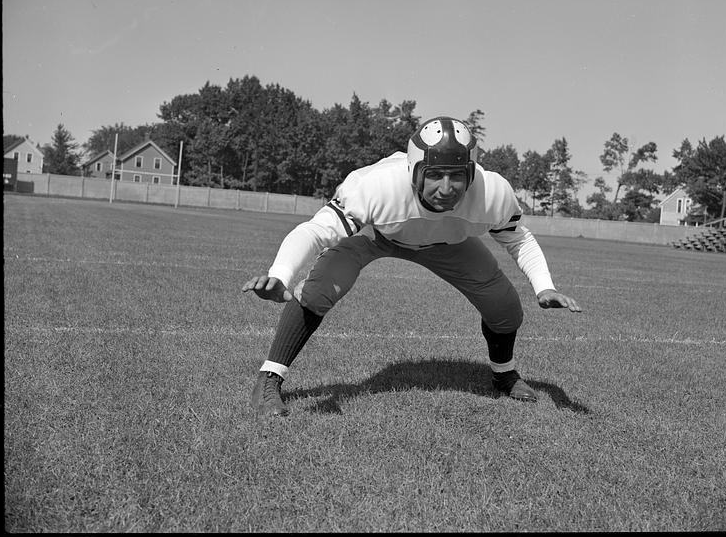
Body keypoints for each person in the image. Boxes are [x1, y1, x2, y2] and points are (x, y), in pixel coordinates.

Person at [243, 116, 582, 418]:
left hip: (446, 244)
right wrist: (281, 273)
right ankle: (270, 378)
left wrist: (544, 286)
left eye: (456, 176)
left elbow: (518, 238)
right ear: (414, 169)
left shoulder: (492, 191)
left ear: (471, 173)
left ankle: (503, 373)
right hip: (377, 234)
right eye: (434, 176)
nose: (446, 189)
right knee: (319, 290)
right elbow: (317, 230)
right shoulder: (378, 187)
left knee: (505, 308)